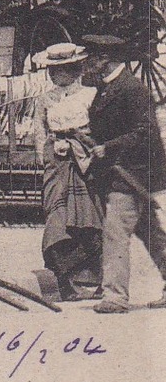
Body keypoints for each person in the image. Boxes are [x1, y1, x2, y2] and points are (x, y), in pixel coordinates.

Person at [81, 35, 166, 313]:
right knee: (151, 234)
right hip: (123, 172)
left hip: (133, 174)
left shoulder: (131, 88)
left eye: (91, 58)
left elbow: (145, 132)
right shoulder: (109, 87)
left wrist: (109, 147)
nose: (87, 64)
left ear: (105, 60)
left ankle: (115, 297)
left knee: (115, 233)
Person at [30, 43, 104, 301]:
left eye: (59, 69)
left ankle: (96, 282)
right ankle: (65, 281)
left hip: (85, 163)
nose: (53, 74)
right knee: (57, 220)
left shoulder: (90, 95)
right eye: (51, 69)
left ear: (74, 69)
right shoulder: (45, 99)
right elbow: (39, 131)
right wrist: (47, 156)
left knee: (90, 218)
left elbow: (99, 130)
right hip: (57, 164)